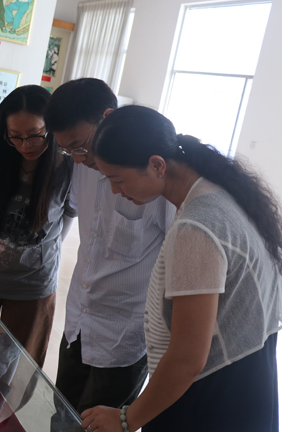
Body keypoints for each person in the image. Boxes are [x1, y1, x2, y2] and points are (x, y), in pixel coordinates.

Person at [81, 106, 282, 432]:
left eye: (118, 180)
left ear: (157, 165)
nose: (115, 191)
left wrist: (126, 419)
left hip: (213, 399)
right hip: (246, 381)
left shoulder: (197, 227)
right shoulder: (220, 194)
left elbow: (188, 357)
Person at [44, 78, 176, 419]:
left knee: (100, 422)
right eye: (68, 150)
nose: (78, 158)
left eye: (80, 146)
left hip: (124, 335)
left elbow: (177, 262)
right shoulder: (82, 166)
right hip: (78, 321)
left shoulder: (152, 176)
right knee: (61, 414)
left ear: (106, 117)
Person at [0, 85, 75, 368]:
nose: (26, 145)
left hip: (33, 286)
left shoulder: (67, 165)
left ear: (51, 128)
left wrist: (43, 251)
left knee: (14, 369)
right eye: (15, 136)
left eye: (35, 135)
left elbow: (68, 216)